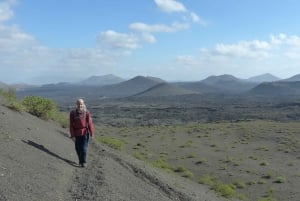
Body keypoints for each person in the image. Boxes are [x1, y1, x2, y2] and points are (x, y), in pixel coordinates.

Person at [69, 98, 94, 167]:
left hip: (85, 133)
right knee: (78, 148)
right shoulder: (73, 113)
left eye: (81, 104)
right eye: (78, 104)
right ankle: (80, 161)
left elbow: (90, 124)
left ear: (83, 104)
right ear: (76, 105)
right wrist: (72, 135)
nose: (80, 105)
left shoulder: (87, 113)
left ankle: (84, 162)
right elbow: (71, 125)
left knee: (84, 148)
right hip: (76, 133)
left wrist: (92, 134)